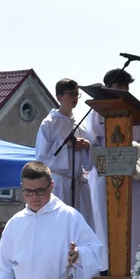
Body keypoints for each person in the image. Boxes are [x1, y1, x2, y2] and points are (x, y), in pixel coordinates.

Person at [87, 68, 140, 257]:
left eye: (126, 86)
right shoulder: (97, 111)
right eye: (119, 85)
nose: (124, 90)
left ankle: (133, 265)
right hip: (104, 175)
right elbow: (92, 141)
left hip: (130, 173)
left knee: (132, 221)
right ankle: (105, 267)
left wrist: (129, 149)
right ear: (108, 87)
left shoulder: (135, 111)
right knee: (105, 222)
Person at [35, 78, 93, 226]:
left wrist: (86, 146)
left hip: (79, 182)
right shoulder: (49, 123)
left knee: (81, 226)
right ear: (59, 97)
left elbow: (88, 164)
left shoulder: (79, 125)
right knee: (59, 224)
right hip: (60, 182)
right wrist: (65, 143)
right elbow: (42, 156)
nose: (75, 98)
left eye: (77, 94)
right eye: (71, 94)